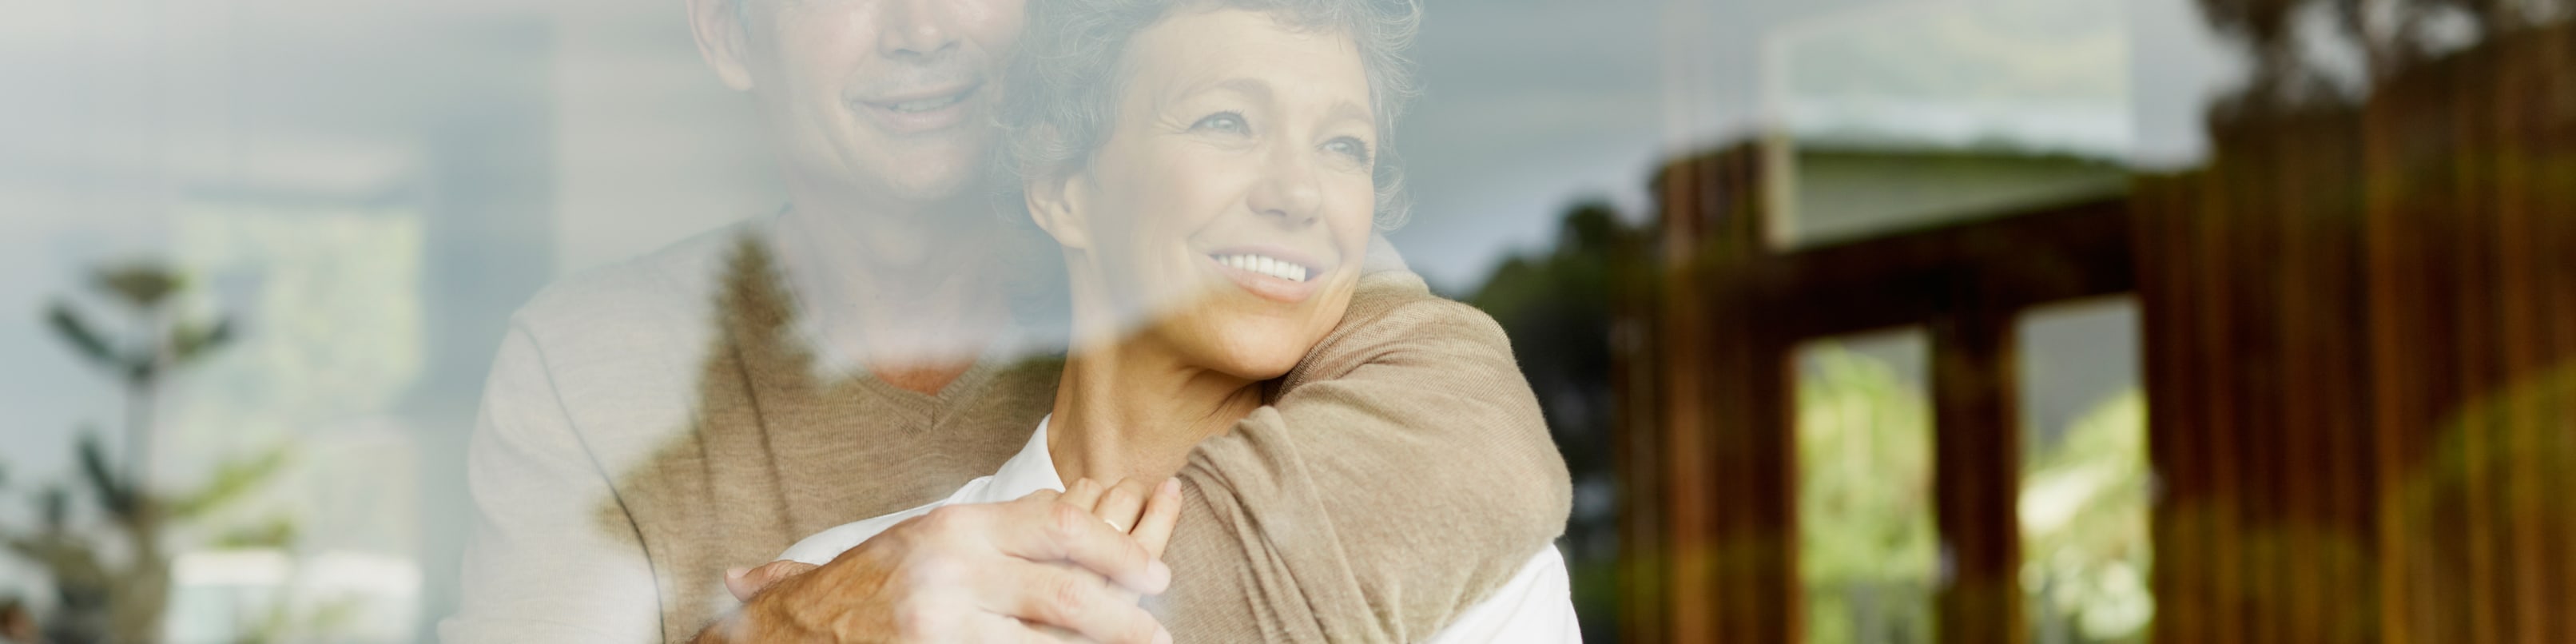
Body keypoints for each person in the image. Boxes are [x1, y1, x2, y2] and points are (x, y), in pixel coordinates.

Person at [438, 0, 1570, 642]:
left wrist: (1058, 617)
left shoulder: (1227, 247)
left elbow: (1480, 437)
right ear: (729, 34)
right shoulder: (595, 367)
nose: (923, 25)